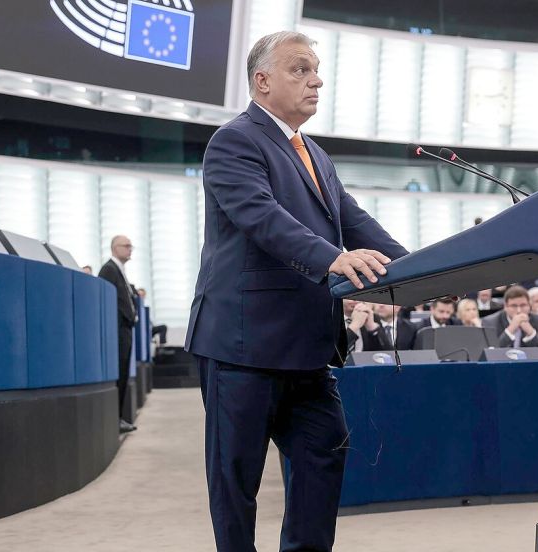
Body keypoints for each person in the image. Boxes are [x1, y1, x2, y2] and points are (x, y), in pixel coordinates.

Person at [185, 31, 407, 552]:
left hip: (307, 352)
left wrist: (420, 268)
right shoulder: (234, 140)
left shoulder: (315, 155)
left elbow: (357, 224)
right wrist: (334, 258)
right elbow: (263, 218)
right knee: (235, 484)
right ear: (262, 81)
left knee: (322, 456)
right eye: (300, 69)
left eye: (316, 69)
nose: (317, 79)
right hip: (242, 347)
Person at [98, 235, 139, 433]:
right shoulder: (108, 269)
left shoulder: (119, 270)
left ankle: (119, 418)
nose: (130, 249)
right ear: (115, 248)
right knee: (119, 373)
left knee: (123, 373)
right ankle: (115, 419)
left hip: (125, 329)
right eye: (126, 246)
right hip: (117, 331)